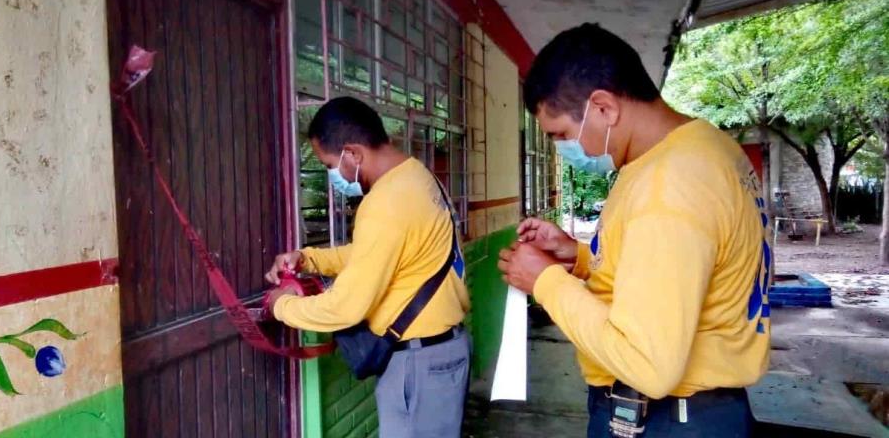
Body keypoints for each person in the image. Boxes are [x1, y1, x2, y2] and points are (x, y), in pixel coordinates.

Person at [499, 24, 771, 437]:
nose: (562, 151)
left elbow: (648, 364)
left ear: (604, 107)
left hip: (670, 418)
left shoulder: (669, 184)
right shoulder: (699, 150)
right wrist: (578, 256)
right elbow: (681, 262)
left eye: (561, 135)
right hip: (700, 411)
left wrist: (545, 282)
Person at [266, 96, 471, 438]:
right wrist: (308, 258)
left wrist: (280, 306)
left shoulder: (385, 203)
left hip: (418, 364)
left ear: (353, 153)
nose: (333, 176)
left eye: (330, 165)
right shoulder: (417, 178)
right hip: (439, 353)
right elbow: (375, 254)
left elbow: (346, 308)